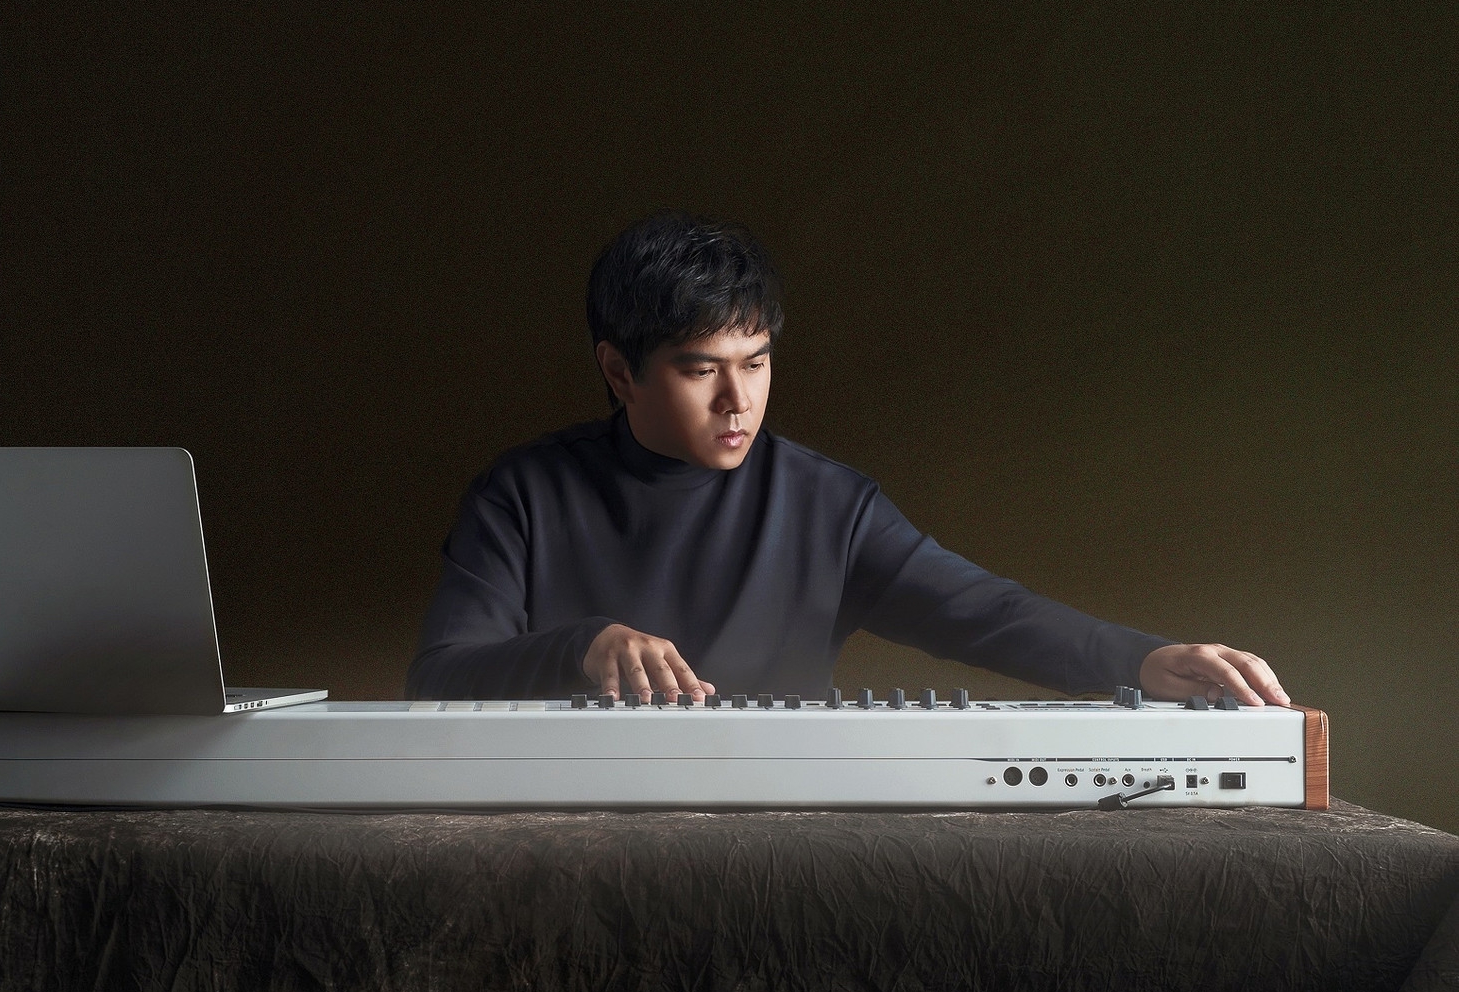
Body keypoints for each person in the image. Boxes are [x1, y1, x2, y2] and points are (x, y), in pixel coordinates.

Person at [406, 212, 1288, 708]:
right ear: (618, 372)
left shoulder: (828, 504)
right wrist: (584, 646)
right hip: (571, 829)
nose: (738, 399)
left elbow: (984, 612)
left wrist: (1144, 659)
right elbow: (440, 675)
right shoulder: (523, 493)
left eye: (756, 364)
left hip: (781, 836)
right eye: (701, 370)